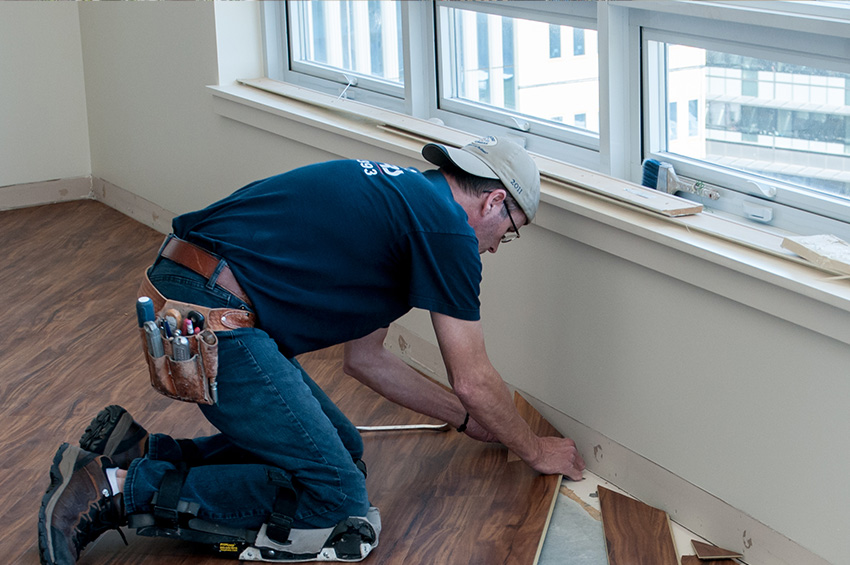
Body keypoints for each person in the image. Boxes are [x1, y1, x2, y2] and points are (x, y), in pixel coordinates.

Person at [38, 135, 586, 565]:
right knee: (339, 505)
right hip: (213, 318)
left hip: (192, 289)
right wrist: (534, 449)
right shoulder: (447, 232)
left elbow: (366, 360)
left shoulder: (405, 205)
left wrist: (467, 420)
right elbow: (474, 377)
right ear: (493, 200)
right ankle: (113, 487)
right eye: (507, 232)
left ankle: (141, 453)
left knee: (342, 451)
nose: (493, 246)